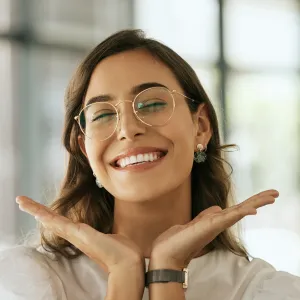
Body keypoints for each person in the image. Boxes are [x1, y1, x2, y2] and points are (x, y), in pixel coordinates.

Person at [0, 29, 299, 300]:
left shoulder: (260, 290)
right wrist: (122, 277)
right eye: (102, 115)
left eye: (152, 104)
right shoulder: (28, 284)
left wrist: (166, 275)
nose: (128, 129)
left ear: (201, 126)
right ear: (85, 148)